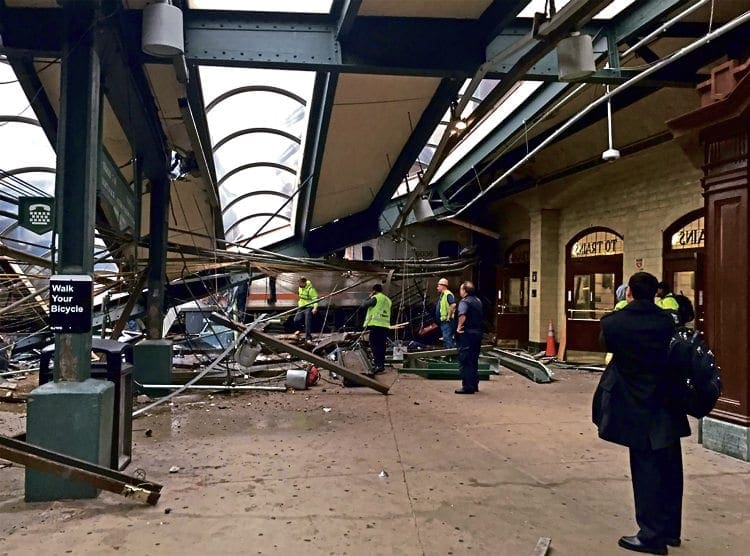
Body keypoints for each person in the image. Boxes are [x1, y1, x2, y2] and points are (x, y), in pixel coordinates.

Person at [593, 272, 690, 555]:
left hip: (636, 405)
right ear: (654, 294)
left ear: (629, 293)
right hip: (668, 403)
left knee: (645, 468)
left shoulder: (613, 324)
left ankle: (650, 535)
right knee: (671, 467)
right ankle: (671, 530)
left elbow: (607, 347)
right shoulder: (667, 322)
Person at [455, 281, 483, 394]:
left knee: (465, 360)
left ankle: (467, 386)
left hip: (467, 334)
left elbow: (462, 314)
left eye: (461, 289)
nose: (460, 291)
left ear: (465, 291)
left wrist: (458, 327)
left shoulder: (464, 302)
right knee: (474, 360)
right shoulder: (478, 301)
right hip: (478, 333)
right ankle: (474, 384)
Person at [361, 283, 392, 374]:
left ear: (374, 290)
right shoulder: (388, 300)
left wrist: (369, 297)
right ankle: (381, 365)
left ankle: (377, 365)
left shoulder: (376, 298)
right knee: (382, 346)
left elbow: (363, 305)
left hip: (375, 325)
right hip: (385, 326)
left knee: (375, 346)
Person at [294, 277, 318, 341]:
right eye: (299, 283)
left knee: (307, 322)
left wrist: (315, 308)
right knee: (296, 320)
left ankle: (308, 337)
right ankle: (300, 329)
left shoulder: (311, 289)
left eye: (300, 283)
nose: (299, 284)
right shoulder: (300, 287)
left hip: (309, 306)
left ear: (304, 283)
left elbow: (315, 299)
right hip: (301, 306)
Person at [435, 277, 457, 348]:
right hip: (443, 321)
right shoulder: (443, 295)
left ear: (443, 286)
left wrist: (448, 316)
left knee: (447, 338)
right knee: (446, 338)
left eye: (438, 285)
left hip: (447, 322)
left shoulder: (448, 294)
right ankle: (448, 354)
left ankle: (451, 355)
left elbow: (453, 304)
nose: (437, 287)